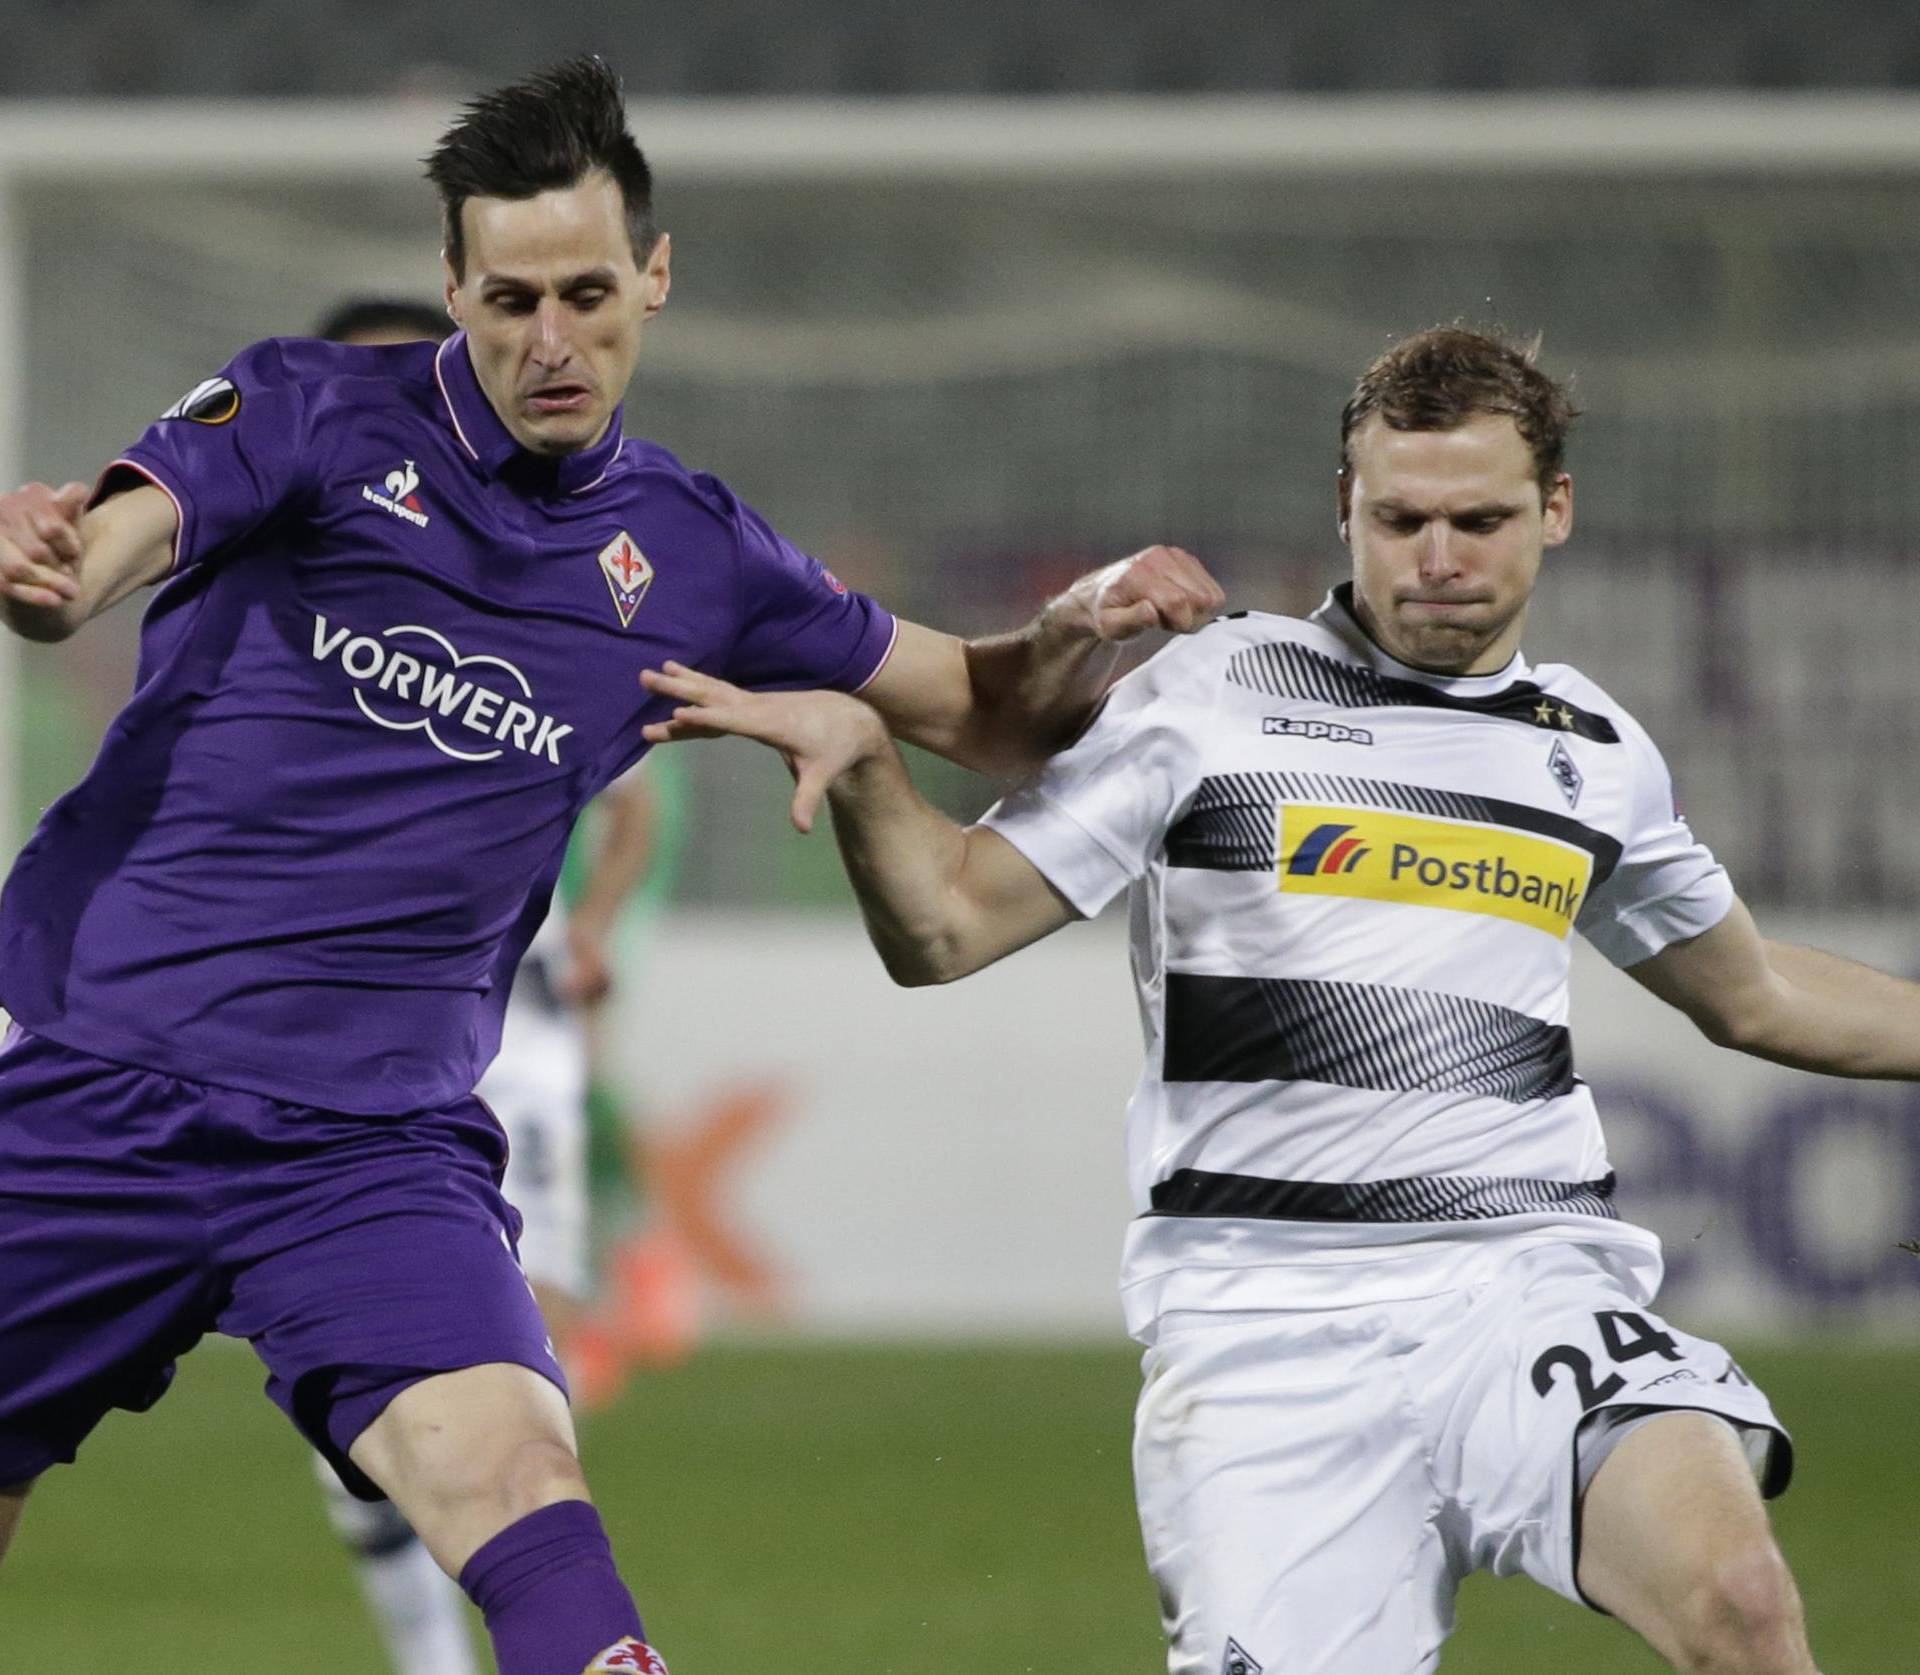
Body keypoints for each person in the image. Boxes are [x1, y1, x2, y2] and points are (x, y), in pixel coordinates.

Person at [0, 56, 1221, 1675]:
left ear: (656, 273)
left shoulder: (698, 552)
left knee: (523, 1484)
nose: (550, 342)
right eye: (508, 299)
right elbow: (88, 564)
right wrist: (42, 558)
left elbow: (989, 717)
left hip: (369, 1151)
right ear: (451, 286)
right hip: (97, 1082)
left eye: (588, 291)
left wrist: (1075, 634)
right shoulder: (307, 407)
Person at [630, 325, 1919, 1674]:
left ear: (1555, 513)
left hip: (1522, 1289)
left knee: (1742, 1608)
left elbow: (1758, 995)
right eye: (1399, 517)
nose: (1437, 556)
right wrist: (862, 766)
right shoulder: (1210, 691)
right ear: (1342, 512)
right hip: (1263, 1333)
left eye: (1477, 518)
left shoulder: (1592, 752)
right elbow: (946, 926)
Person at [308, 296, 660, 1675]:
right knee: (389, 1397)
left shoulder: (532, 589)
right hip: (348, 1053)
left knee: (529, 1367)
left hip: (513, 1023)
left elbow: (627, 805)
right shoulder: (286, 603)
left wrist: (598, 930)